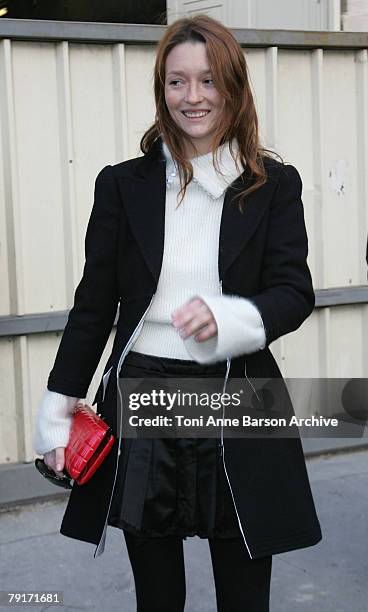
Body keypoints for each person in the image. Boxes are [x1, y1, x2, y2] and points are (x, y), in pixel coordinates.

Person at [33, 14, 322, 612]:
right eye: (177, 82)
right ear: (161, 91)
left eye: (209, 81)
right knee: (157, 597)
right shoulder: (122, 185)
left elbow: (294, 291)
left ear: (234, 88)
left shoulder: (273, 185)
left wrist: (232, 318)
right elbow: (94, 305)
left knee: (245, 596)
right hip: (146, 395)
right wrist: (59, 410)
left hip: (237, 396)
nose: (193, 97)